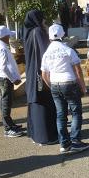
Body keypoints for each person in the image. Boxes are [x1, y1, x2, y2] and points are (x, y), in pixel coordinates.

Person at [41, 24, 89, 154]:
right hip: (69, 82)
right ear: (62, 35)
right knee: (76, 112)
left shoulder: (47, 53)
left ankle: (64, 144)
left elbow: (44, 74)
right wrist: (83, 87)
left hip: (55, 84)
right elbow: (78, 70)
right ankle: (75, 141)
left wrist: (51, 86)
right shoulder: (68, 50)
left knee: (61, 115)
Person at [23, 10, 58, 145]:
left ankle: (36, 135)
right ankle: (46, 136)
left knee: (35, 103)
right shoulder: (38, 31)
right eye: (42, 18)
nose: (44, 21)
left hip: (32, 73)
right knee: (45, 104)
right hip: (40, 73)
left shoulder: (28, 32)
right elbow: (45, 52)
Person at [0, 26, 23, 138]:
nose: (10, 36)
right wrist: (13, 79)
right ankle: (8, 128)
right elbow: (3, 67)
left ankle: (10, 124)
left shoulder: (1, 46)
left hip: (4, 78)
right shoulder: (2, 48)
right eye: (8, 35)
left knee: (6, 102)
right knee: (5, 103)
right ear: (4, 36)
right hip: (5, 79)